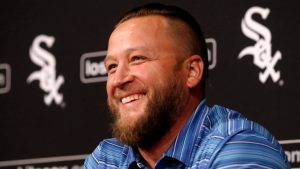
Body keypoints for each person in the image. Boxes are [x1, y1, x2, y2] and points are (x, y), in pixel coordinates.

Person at [84, 3, 290, 169]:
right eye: (111, 66)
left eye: (137, 58)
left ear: (191, 72)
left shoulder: (239, 148)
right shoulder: (106, 159)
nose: (118, 79)